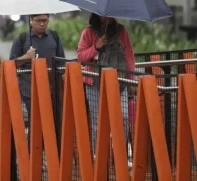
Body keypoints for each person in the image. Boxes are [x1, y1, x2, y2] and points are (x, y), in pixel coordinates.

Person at [77, 13, 135, 155]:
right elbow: (81, 56)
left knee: (124, 117)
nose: (107, 16)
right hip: (94, 81)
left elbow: (129, 56)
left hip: (119, 81)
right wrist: (96, 46)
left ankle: (120, 151)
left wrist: (131, 79)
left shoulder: (122, 31)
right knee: (97, 121)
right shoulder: (89, 31)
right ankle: (98, 154)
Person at [9, 14, 65, 139]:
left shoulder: (54, 37)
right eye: (39, 20)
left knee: (53, 119)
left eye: (45, 20)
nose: (42, 24)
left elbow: (62, 62)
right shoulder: (22, 38)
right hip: (28, 87)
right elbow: (11, 64)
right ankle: (33, 150)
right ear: (31, 20)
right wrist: (25, 57)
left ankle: (51, 148)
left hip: (51, 87)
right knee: (34, 118)